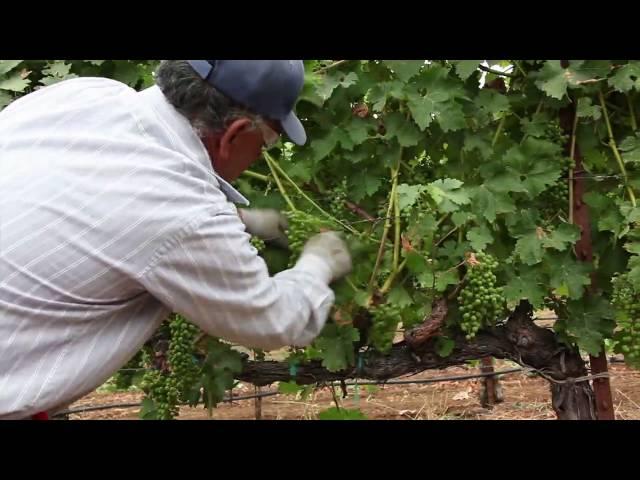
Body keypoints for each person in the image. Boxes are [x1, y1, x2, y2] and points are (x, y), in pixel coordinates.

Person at [0, 60, 352, 420]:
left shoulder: (82, 95)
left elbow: (94, 198)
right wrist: (319, 262)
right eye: (269, 141)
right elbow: (273, 319)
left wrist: (241, 220)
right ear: (235, 134)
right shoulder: (186, 212)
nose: (263, 153)